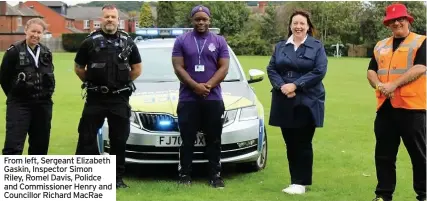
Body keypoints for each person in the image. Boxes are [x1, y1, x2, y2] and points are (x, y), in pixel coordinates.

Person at [73, 4, 142, 189]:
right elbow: (79, 68)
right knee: (86, 138)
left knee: (119, 140)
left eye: (113, 17)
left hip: (119, 99)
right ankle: (84, 178)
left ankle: (117, 179)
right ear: (101, 19)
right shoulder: (89, 42)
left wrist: (122, 83)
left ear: (118, 20)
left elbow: (137, 69)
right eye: (107, 17)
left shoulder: (128, 42)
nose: (110, 20)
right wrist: (93, 82)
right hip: (95, 98)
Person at [366, 3, 426, 201]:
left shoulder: (421, 41)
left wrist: (392, 85)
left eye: (400, 19)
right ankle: (383, 195)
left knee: (419, 156)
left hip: (412, 108)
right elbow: (371, 71)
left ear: (408, 20)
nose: (397, 23)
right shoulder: (380, 45)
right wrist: (378, 85)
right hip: (385, 107)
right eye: (392, 21)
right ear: (388, 24)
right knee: (384, 155)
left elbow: (420, 68)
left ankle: (424, 194)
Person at [266, 10, 327, 195]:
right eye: (295, 23)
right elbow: (271, 68)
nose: (298, 26)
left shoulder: (317, 46)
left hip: (308, 100)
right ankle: (295, 181)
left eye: (302, 23)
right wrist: (282, 86)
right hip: (284, 99)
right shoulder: (280, 46)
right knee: (290, 142)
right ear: (290, 26)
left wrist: (295, 85)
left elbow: (319, 71)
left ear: (308, 26)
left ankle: (301, 182)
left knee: (303, 141)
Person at [171, 5, 230, 188]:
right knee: (187, 139)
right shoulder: (181, 40)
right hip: (188, 99)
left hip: (213, 98)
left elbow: (224, 67)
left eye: (204, 19)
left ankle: (215, 175)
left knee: (213, 139)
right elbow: (178, 67)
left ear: (209, 20)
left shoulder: (219, 41)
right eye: (197, 19)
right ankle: (185, 175)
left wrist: (208, 86)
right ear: (192, 20)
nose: (201, 22)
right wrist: (195, 86)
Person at [0, 18, 55, 155]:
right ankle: (11, 176)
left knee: (40, 146)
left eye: (39, 32)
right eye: (33, 31)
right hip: (20, 104)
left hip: (43, 105)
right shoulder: (13, 52)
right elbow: (4, 79)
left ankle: (35, 175)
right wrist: (15, 96)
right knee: (13, 146)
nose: (35, 35)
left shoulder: (46, 52)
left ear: (43, 34)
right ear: (26, 31)